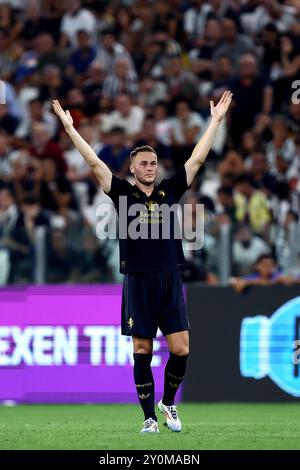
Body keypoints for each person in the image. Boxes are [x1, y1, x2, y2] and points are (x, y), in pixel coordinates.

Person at [52, 90, 232, 433]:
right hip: (138, 280)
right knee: (142, 350)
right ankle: (149, 417)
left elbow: (196, 159)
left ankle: (168, 402)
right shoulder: (122, 192)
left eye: (153, 163)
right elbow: (93, 163)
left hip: (168, 277)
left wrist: (215, 122)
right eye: (143, 164)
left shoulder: (170, 190)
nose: (149, 168)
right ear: (133, 169)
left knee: (181, 349)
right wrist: (70, 129)